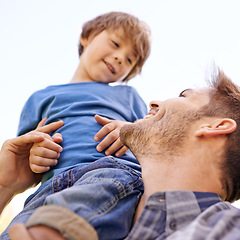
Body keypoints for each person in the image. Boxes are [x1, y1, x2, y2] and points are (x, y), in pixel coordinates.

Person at [4, 69, 240, 240]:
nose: (153, 102)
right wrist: (5, 186)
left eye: (184, 95)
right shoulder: (98, 209)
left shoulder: (227, 229)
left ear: (215, 126)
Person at [1, 11, 151, 240]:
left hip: (110, 172)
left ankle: (53, 233)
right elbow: (27, 155)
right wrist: (37, 154)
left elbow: (152, 139)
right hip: (50, 187)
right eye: (115, 43)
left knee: (90, 200)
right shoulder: (41, 98)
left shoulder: (128, 96)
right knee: (19, 228)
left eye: (130, 60)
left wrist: (130, 131)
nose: (120, 57)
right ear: (87, 36)